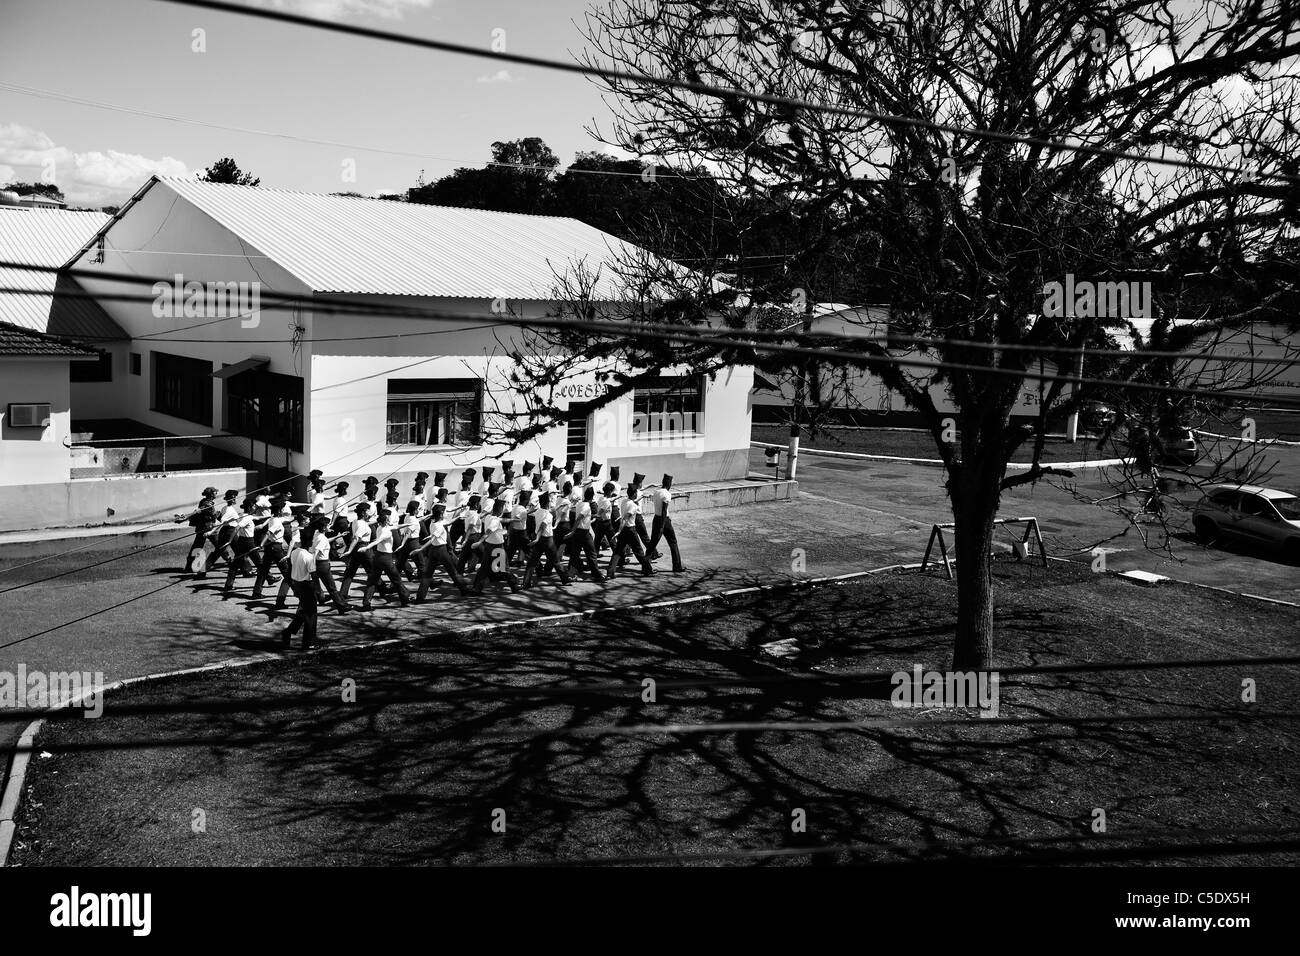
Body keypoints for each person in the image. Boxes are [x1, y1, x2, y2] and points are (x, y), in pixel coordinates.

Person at [411, 503, 472, 600]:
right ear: (440, 515)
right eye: (443, 513)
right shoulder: (439, 525)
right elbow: (432, 539)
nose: (445, 514)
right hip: (441, 551)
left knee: (427, 575)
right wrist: (421, 549)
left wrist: (458, 516)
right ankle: (464, 590)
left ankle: (420, 597)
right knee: (453, 572)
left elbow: (448, 523)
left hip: (433, 551)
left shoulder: (433, 522)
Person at [357, 507, 410, 610]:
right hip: (386, 559)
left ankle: (366, 603)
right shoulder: (386, 532)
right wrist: (367, 547)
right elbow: (377, 541)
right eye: (388, 518)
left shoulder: (380, 528)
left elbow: (396, 526)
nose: (390, 519)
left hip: (377, 557)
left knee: (372, 581)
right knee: (396, 580)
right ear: (385, 521)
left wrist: (407, 524)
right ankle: (404, 599)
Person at [279, 528, 319, 650]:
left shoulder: (294, 552)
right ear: (309, 542)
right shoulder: (309, 556)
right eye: (312, 540)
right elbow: (314, 576)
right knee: (311, 615)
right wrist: (319, 591)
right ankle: (309, 642)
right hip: (307, 587)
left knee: (303, 613)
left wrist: (294, 586)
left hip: (297, 585)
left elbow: (290, 570)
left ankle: (288, 632)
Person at [472, 497, 520, 594]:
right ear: (500, 510)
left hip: (489, 546)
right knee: (504, 568)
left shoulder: (489, 517)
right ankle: (514, 586)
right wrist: (479, 542)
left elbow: (502, 520)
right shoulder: (495, 521)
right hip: (497, 547)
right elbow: (488, 532)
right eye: (502, 508)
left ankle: (477, 588)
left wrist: (513, 520)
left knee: (484, 568)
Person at [522, 491, 571, 588]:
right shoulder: (548, 515)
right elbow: (543, 526)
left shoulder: (538, 512)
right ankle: (565, 579)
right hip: (547, 540)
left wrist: (560, 506)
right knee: (556, 561)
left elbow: (550, 509)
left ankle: (526, 582)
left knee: (531, 563)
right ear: (548, 503)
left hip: (539, 541)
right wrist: (537, 538)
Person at [608, 482, 656, 579]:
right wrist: (619, 531)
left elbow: (624, 516)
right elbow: (625, 518)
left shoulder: (624, 502)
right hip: (630, 530)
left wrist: (620, 531)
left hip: (624, 531)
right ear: (634, 494)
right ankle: (648, 570)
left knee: (617, 552)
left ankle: (610, 572)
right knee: (639, 551)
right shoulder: (633, 506)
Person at [309, 516, 350, 613]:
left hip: (318, 564)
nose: (329, 527)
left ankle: (321, 598)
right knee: (332, 588)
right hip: (323, 564)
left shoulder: (317, 535)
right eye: (327, 525)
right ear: (323, 528)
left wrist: (338, 536)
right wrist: (311, 565)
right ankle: (341, 606)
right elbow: (316, 551)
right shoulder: (322, 538)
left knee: (318, 585)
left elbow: (326, 541)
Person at [339, 502, 377, 604]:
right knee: (373, 574)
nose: (369, 512)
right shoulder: (362, 525)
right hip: (364, 548)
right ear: (364, 513)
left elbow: (363, 526)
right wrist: (349, 550)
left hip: (356, 550)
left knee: (349, 573)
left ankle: (342, 595)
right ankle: (366, 601)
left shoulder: (355, 522)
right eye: (368, 511)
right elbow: (356, 538)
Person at [567, 486, 606, 582]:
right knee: (591, 553)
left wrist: (595, 516)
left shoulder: (580, 504)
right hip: (584, 533)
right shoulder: (587, 506)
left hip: (578, 533)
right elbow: (579, 518)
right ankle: (596, 574)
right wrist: (572, 531)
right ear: (592, 497)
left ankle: (570, 574)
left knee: (575, 554)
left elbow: (584, 515)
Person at [648, 473, 685, 573]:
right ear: (669, 483)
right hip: (664, 520)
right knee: (673, 543)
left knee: (653, 543)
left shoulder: (656, 492)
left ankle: (645, 566)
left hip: (656, 518)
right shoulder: (667, 494)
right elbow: (664, 510)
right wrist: (663, 525)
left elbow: (661, 501)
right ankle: (677, 566)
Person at [456, 493, 485, 574]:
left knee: (463, 558)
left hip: (469, 537)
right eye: (479, 503)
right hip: (474, 538)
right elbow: (470, 527)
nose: (480, 504)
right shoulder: (474, 514)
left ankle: (458, 577)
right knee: (484, 556)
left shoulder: (469, 512)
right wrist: (465, 540)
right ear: (476, 504)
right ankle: (489, 574)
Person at [507, 488, 531, 566]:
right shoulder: (523, 510)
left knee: (511, 550)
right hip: (521, 533)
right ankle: (538, 567)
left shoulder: (515, 507)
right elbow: (516, 519)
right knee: (529, 551)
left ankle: (503, 566)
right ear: (526, 501)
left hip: (514, 531)